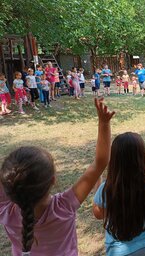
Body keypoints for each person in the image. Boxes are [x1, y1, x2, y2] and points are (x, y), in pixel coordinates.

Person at [0, 98, 114, 255]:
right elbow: (100, 162)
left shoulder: (5, 212)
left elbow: (10, 178)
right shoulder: (63, 207)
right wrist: (104, 123)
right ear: (53, 180)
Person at [93, 132, 145, 256]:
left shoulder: (106, 188)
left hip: (119, 251)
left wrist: (98, 182)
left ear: (114, 160)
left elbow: (99, 214)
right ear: (142, 156)